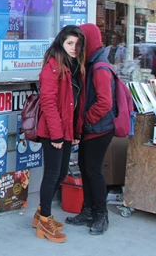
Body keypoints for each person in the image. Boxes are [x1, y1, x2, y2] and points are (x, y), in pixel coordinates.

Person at [33, 25, 86, 243]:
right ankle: (45, 221)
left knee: (62, 172)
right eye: (69, 43)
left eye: (77, 44)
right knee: (52, 174)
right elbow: (48, 102)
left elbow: (72, 104)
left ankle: (40, 213)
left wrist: (73, 132)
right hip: (53, 132)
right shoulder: (53, 66)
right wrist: (56, 135)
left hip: (65, 130)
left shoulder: (72, 66)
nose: (74, 48)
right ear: (61, 43)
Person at [65, 23, 115, 235]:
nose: (76, 48)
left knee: (93, 171)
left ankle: (101, 215)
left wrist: (86, 121)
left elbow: (105, 103)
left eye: (79, 43)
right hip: (92, 128)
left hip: (99, 129)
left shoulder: (100, 67)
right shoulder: (91, 63)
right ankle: (87, 210)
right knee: (86, 169)